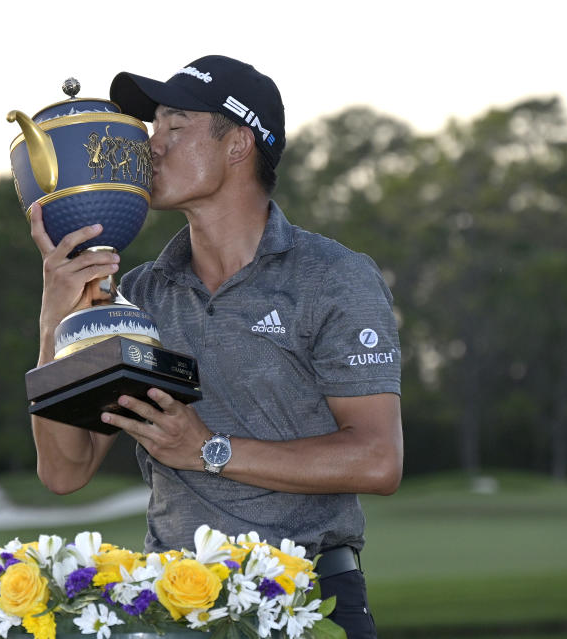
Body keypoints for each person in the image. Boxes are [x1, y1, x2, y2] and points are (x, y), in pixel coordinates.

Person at [28, 55, 403, 639]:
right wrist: (56, 319)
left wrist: (208, 450)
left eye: (176, 127)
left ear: (238, 145)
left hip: (308, 600)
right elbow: (64, 470)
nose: (152, 146)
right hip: (170, 607)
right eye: (154, 129)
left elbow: (378, 459)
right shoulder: (139, 295)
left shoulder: (332, 276)